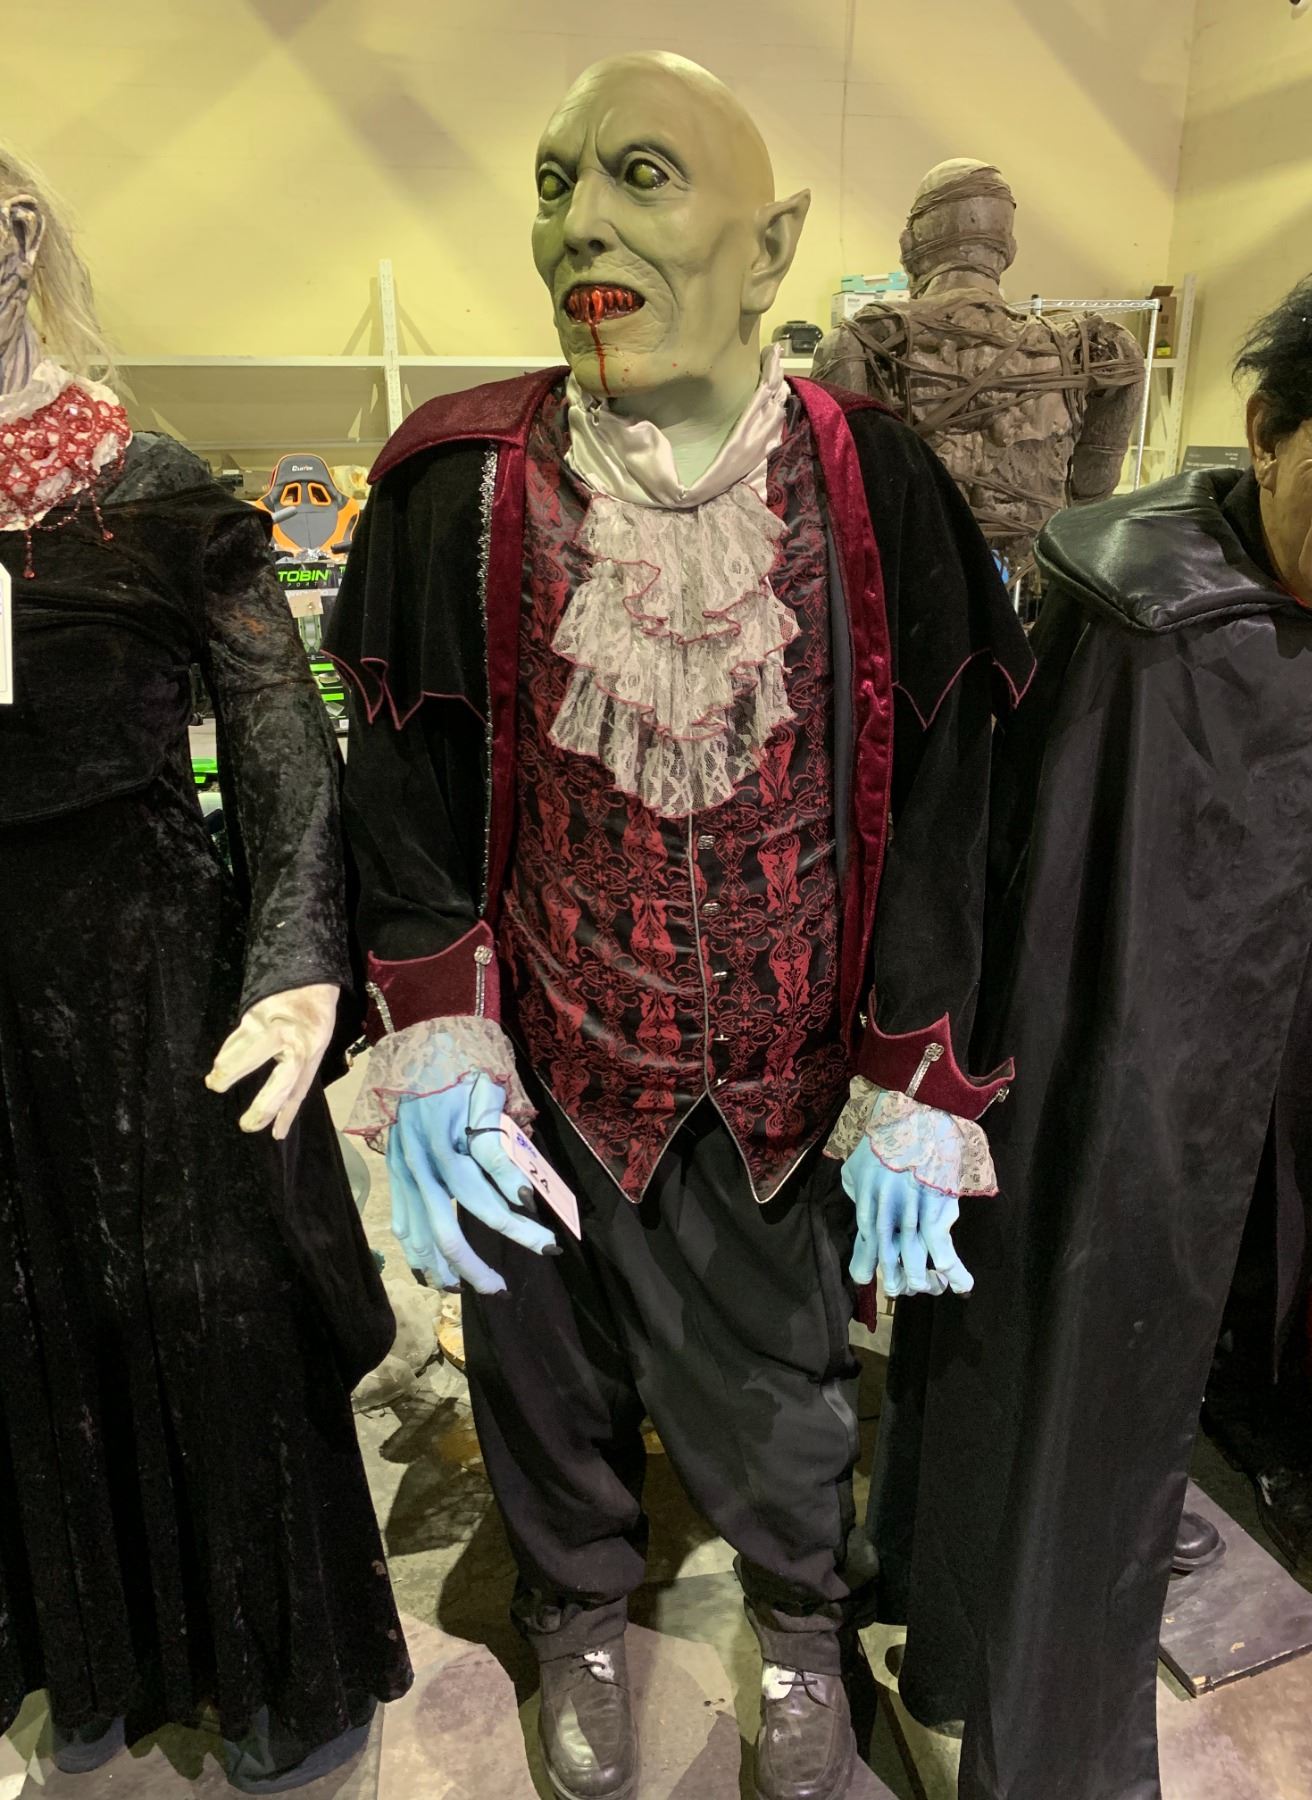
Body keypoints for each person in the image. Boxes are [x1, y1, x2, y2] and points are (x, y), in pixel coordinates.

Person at [328, 52, 1031, 1800]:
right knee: (537, 1365)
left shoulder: (878, 484)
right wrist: (438, 1028)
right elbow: (403, 782)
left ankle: (798, 1615)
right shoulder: (455, 485)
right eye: (555, 181)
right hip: (545, 1051)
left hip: (780, 1070)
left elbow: (949, 802)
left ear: (769, 245)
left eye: (640, 175)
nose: (580, 223)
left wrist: (913, 1072)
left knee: (784, 1383)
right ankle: (576, 1606)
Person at [872, 263, 1312, 1800]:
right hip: (1117, 1106)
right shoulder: (1135, 615)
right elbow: (1009, 882)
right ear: (1265, 431)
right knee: (1060, 1398)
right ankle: (1037, 1741)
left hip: (1290, 1093)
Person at [0, 152, 411, 1791]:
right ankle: (81, 1652)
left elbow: (287, 754)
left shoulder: (158, 491)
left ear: (20, 234)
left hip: (158, 972)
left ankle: (264, 1664)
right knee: (23, 1315)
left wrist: (297, 965)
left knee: (211, 1307)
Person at [812, 158, 1144, 591]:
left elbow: (840, 507)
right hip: (1030, 592)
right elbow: (1090, 494)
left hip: (913, 591)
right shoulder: (1096, 351)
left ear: (908, 245)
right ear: (1009, 249)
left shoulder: (860, 344)